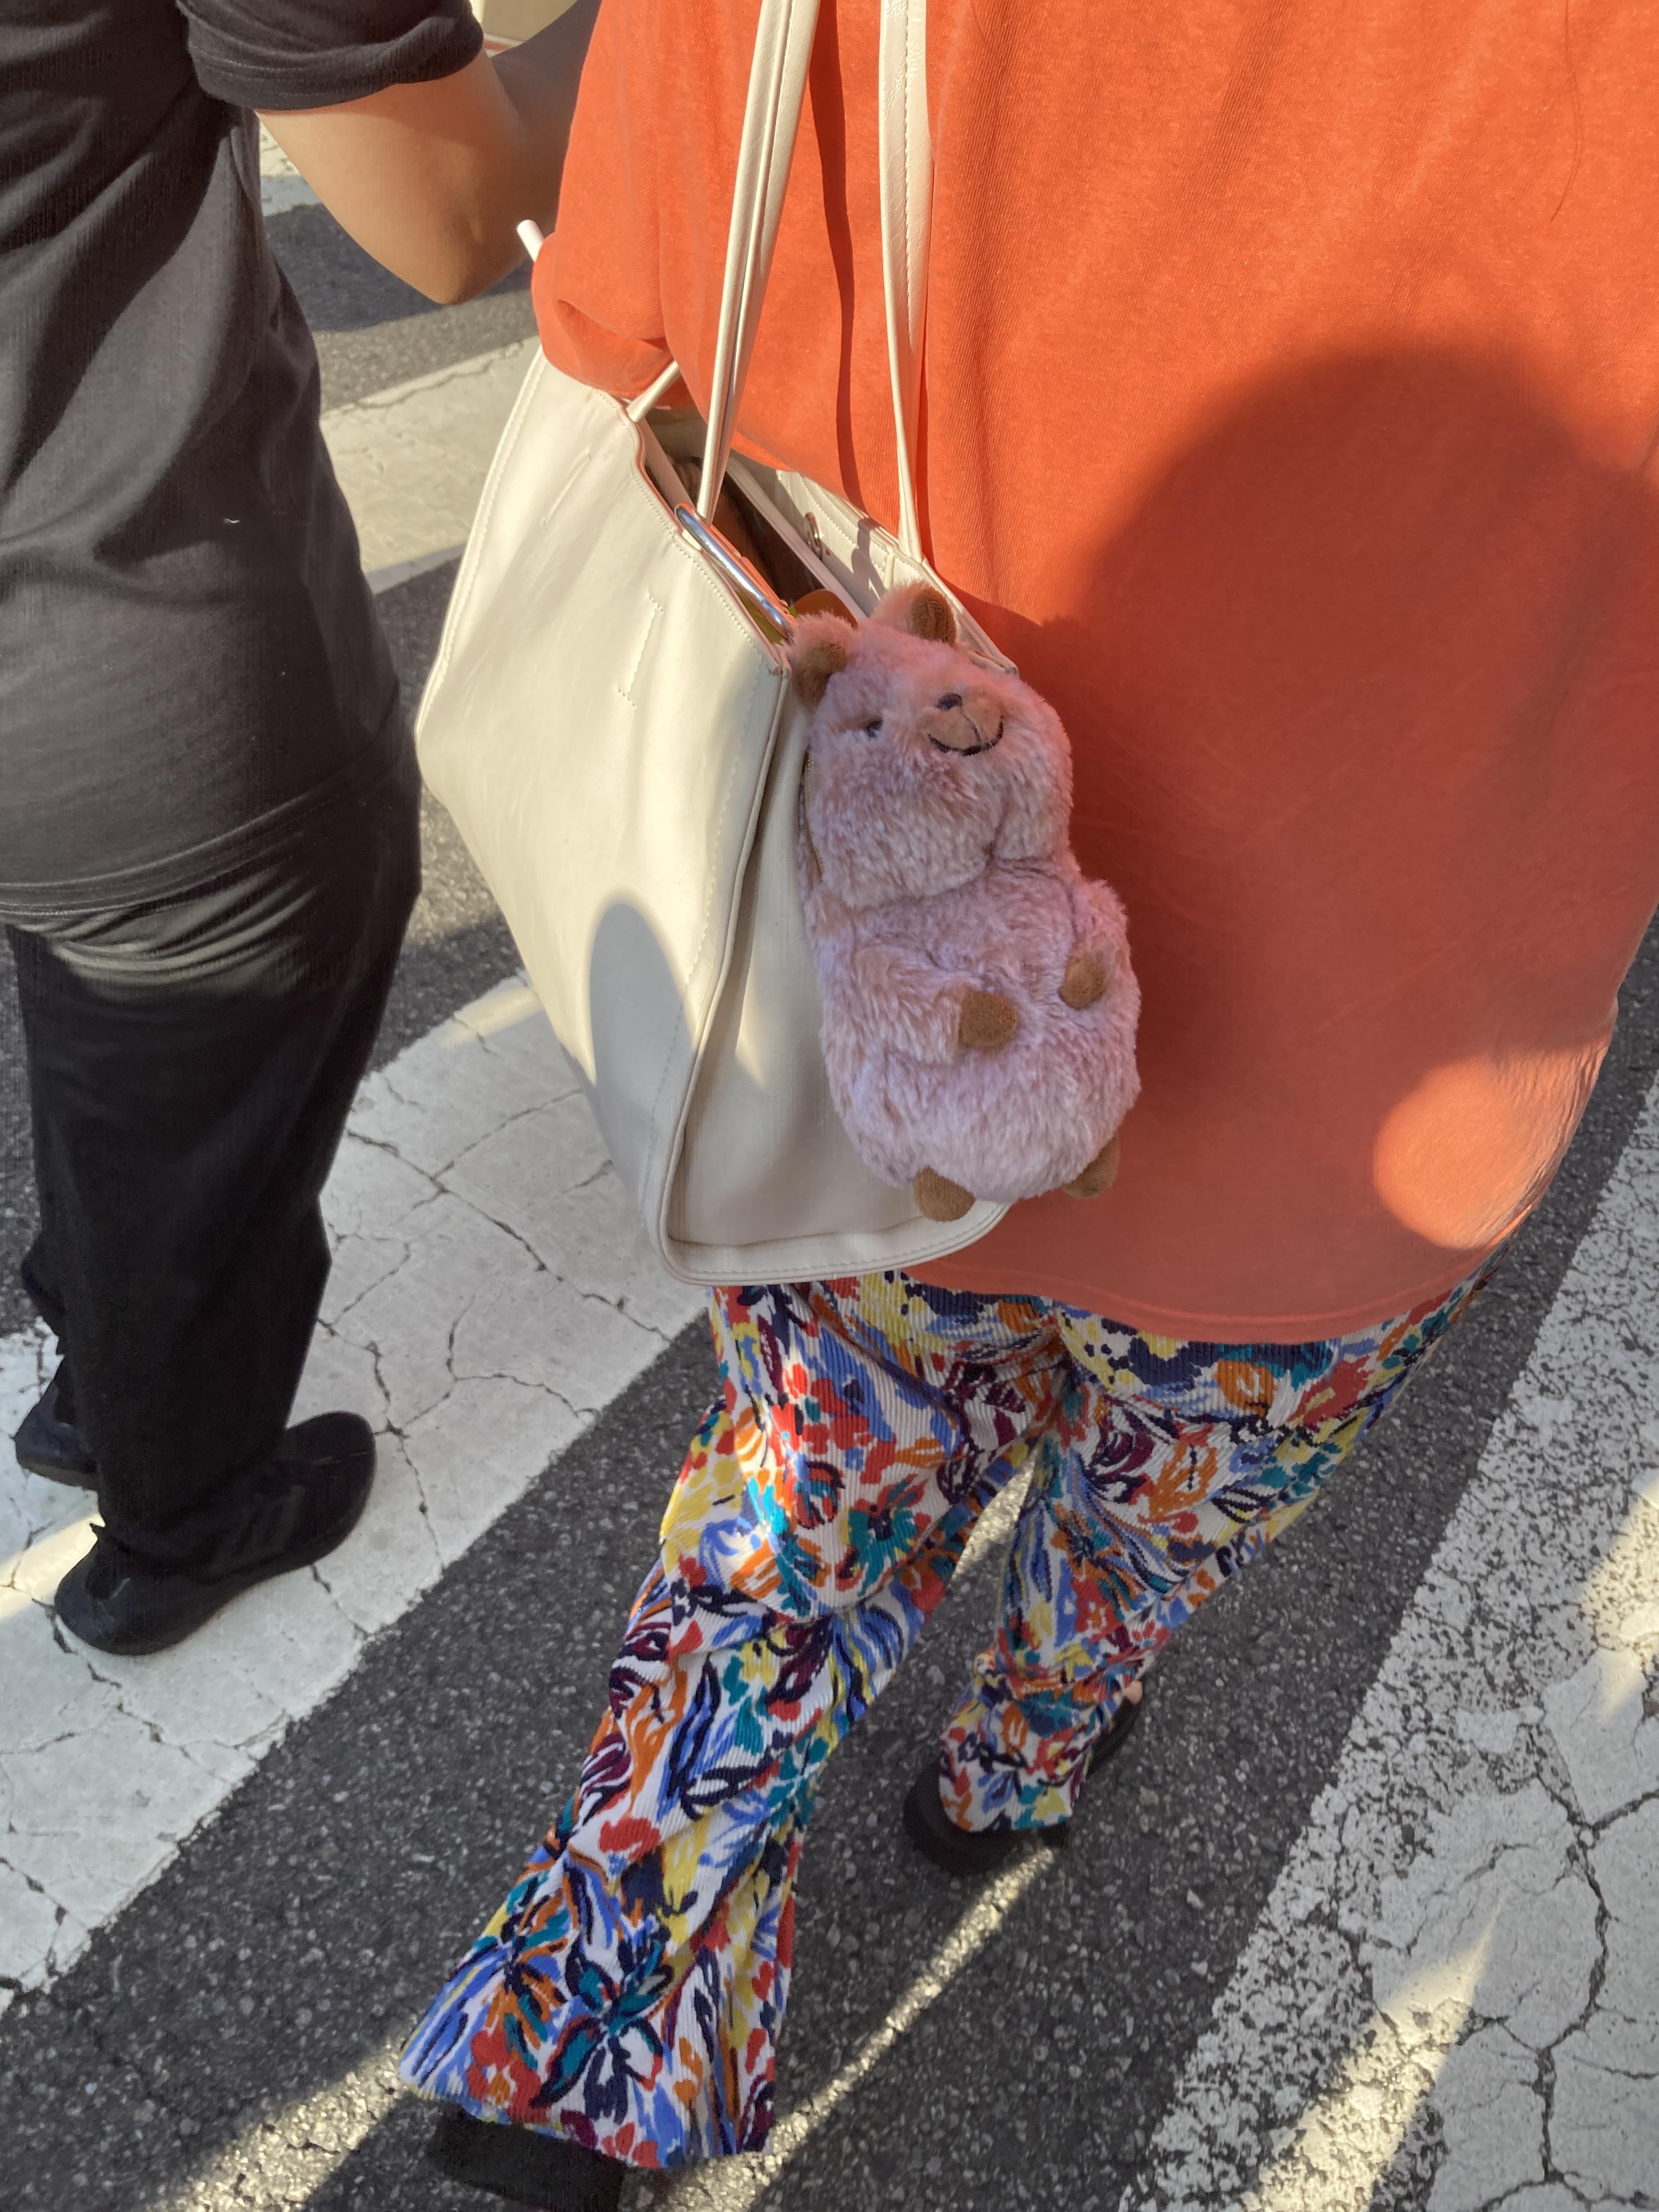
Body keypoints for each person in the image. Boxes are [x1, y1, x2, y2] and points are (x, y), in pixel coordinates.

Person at [271, 3, 1659, 2206]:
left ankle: (591, 2043)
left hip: (891, 996)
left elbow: (618, 311)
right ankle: (1013, 1766)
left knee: (800, 1515)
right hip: (1392, 1075)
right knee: (1164, 1510)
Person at [0, 0, 595, 1655]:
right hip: (149, 627)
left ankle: (102, 1374)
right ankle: (179, 1521)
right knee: (213, 1071)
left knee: (119, 1049)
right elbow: (450, 211)